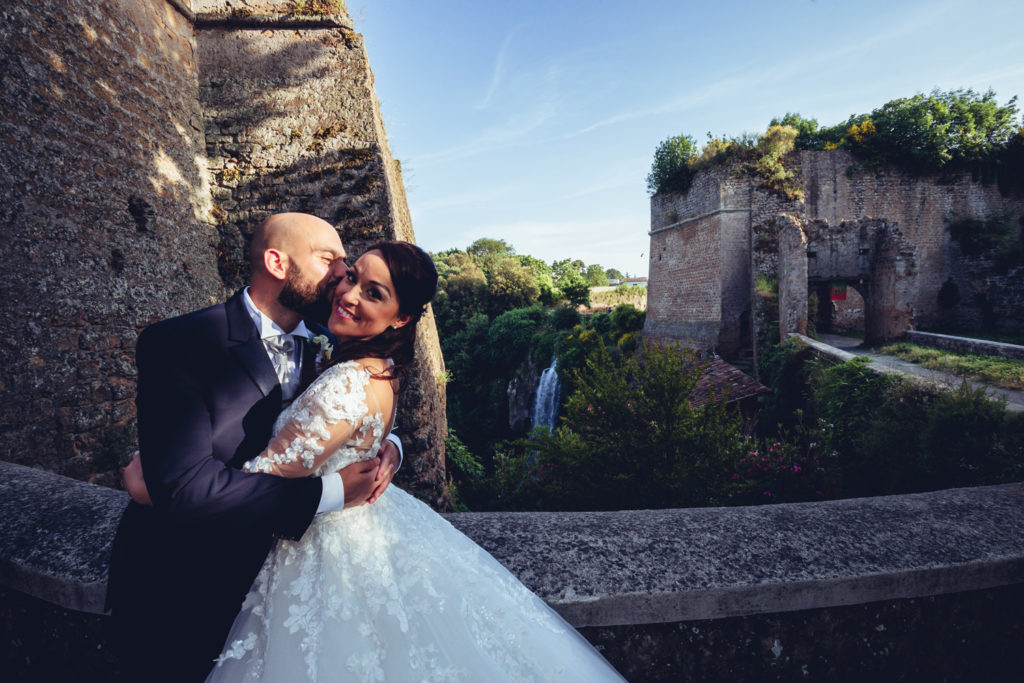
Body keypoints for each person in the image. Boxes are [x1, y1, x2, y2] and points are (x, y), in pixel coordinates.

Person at [193, 240, 626, 681]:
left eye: (374, 293)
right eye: (351, 276)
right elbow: (362, 429)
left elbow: (258, 479)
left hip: (321, 547)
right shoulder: (380, 367)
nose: (348, 293)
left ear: (400, 317)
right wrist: (393, 447)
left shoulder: (345, 380)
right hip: (370, 527)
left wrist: (157, 482)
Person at [107, 213, 402, 682]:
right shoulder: (180, 343)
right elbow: (185, 489)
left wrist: (389, 446)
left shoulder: (330, 342)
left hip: (280, 586)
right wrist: (330, 492)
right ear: (276, 263)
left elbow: (354, 410)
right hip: (183, 583)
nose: (344, 275)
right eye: (330, 259)